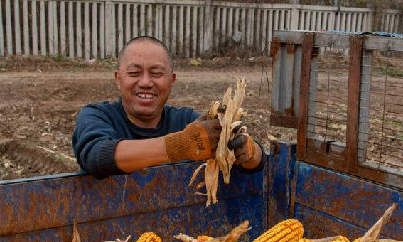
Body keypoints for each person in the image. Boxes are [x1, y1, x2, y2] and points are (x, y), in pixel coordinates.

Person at [72, 35, 263, 177]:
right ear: (118, 79)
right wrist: (181, 145)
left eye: (156, 73)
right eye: (134, 73)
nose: (146, 82)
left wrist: (250, 152)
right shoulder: (96, 116)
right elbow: (97, 157)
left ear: (171, 81)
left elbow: (252, 162)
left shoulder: (186, 121)